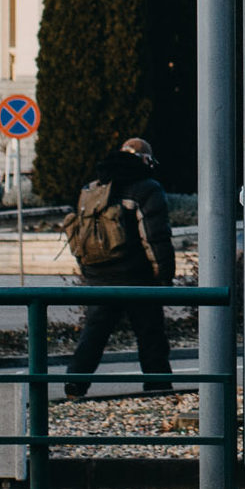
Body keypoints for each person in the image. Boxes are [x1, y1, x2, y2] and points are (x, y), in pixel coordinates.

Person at [63, 137, 175, 398]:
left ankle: (75, 383)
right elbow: (154, 237)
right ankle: (158, 387)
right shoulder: (147, 188)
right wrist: (164, 276)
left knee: (94, 333)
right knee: (150, 334)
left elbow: (81, 233)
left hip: (98, 274)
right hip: (137, 276)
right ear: (145, 160)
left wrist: (88, 270)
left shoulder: (95, 187)